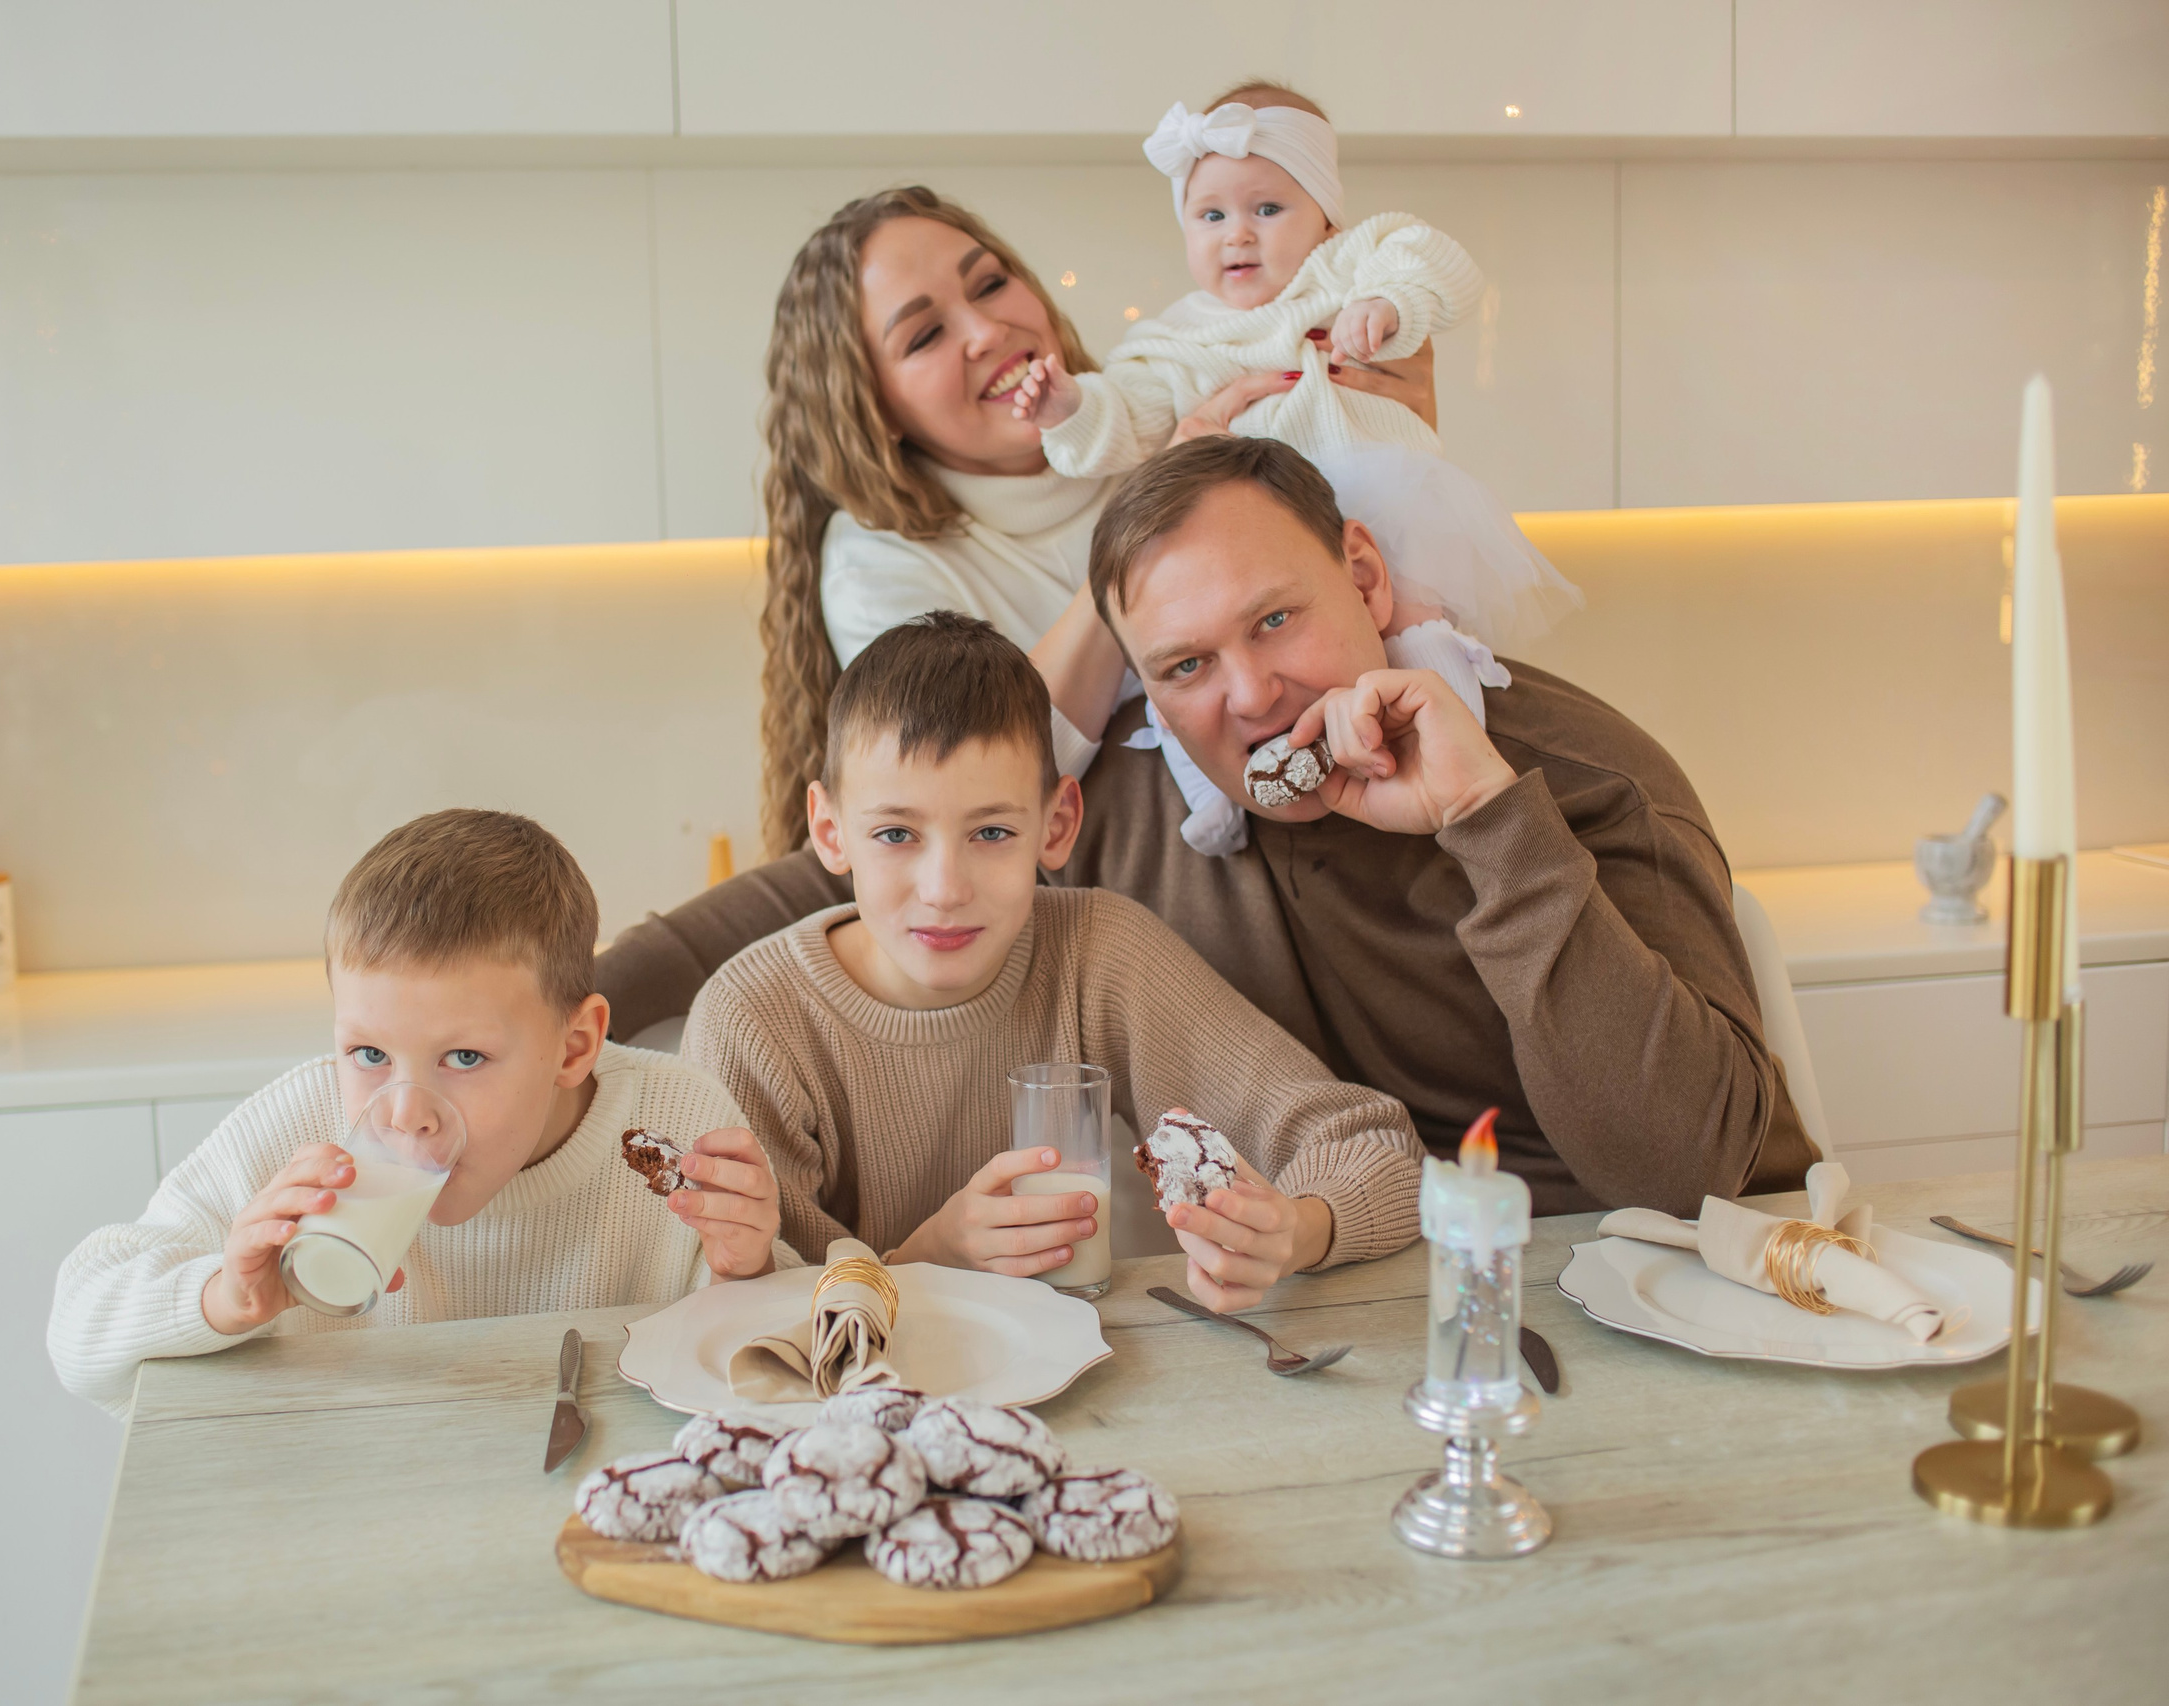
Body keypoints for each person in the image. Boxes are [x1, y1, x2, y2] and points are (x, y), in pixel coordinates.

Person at [602, 440, 1817, 1219]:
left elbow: (1688, 1175)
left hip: (1648, 1267)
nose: (1248, 694)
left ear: (1365, 577)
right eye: (1184, 663)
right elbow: (877, 868)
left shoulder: (1572, 781)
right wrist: (573, 989)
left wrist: (1485, 822)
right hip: (1352, 1288)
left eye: (1276, 620)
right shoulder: (1143, 803)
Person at [680, 612, 1422, 1312]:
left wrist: (1296, 1229)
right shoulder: (752, 1021)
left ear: (1057, 825)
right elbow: (726, 1302)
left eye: (992, 833)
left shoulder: (1098, 954)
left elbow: (1376, 1149)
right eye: (897, 835)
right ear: (830, 830)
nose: (945, 890)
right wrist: (925, 1259)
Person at [756, 182, 1441, 861]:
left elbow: (1358, 594)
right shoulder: (873, 566)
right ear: (871, 408)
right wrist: (1137, 524)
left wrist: (1392, 424)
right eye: (925, 335)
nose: (987, 332)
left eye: (990, 285)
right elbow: (965, 789)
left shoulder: (1156, 401)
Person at [50, 810, 789, 1415]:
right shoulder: (301, 1131)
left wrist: (746, 1273)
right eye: (369, 1054)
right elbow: (77, 1335)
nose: (405, 1115)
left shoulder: (676, 1124)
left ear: (574, 1046)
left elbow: (775, 1381)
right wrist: (223, 1296)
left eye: (463, 1058)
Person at [1009, 80, 1582, 855]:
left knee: (1411, 614)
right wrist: (1069, 407)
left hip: (1376, 492)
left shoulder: (1345, 269)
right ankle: (1212, 796)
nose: (1238, 236)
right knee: (1181, 674)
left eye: (1268, 208)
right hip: (1251, 537)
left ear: (1326, 217)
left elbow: (1434, 261)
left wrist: (1390, 305)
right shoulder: (1182, 337)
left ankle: (1450, 740)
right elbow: (1131, 410)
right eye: (1211, 216)